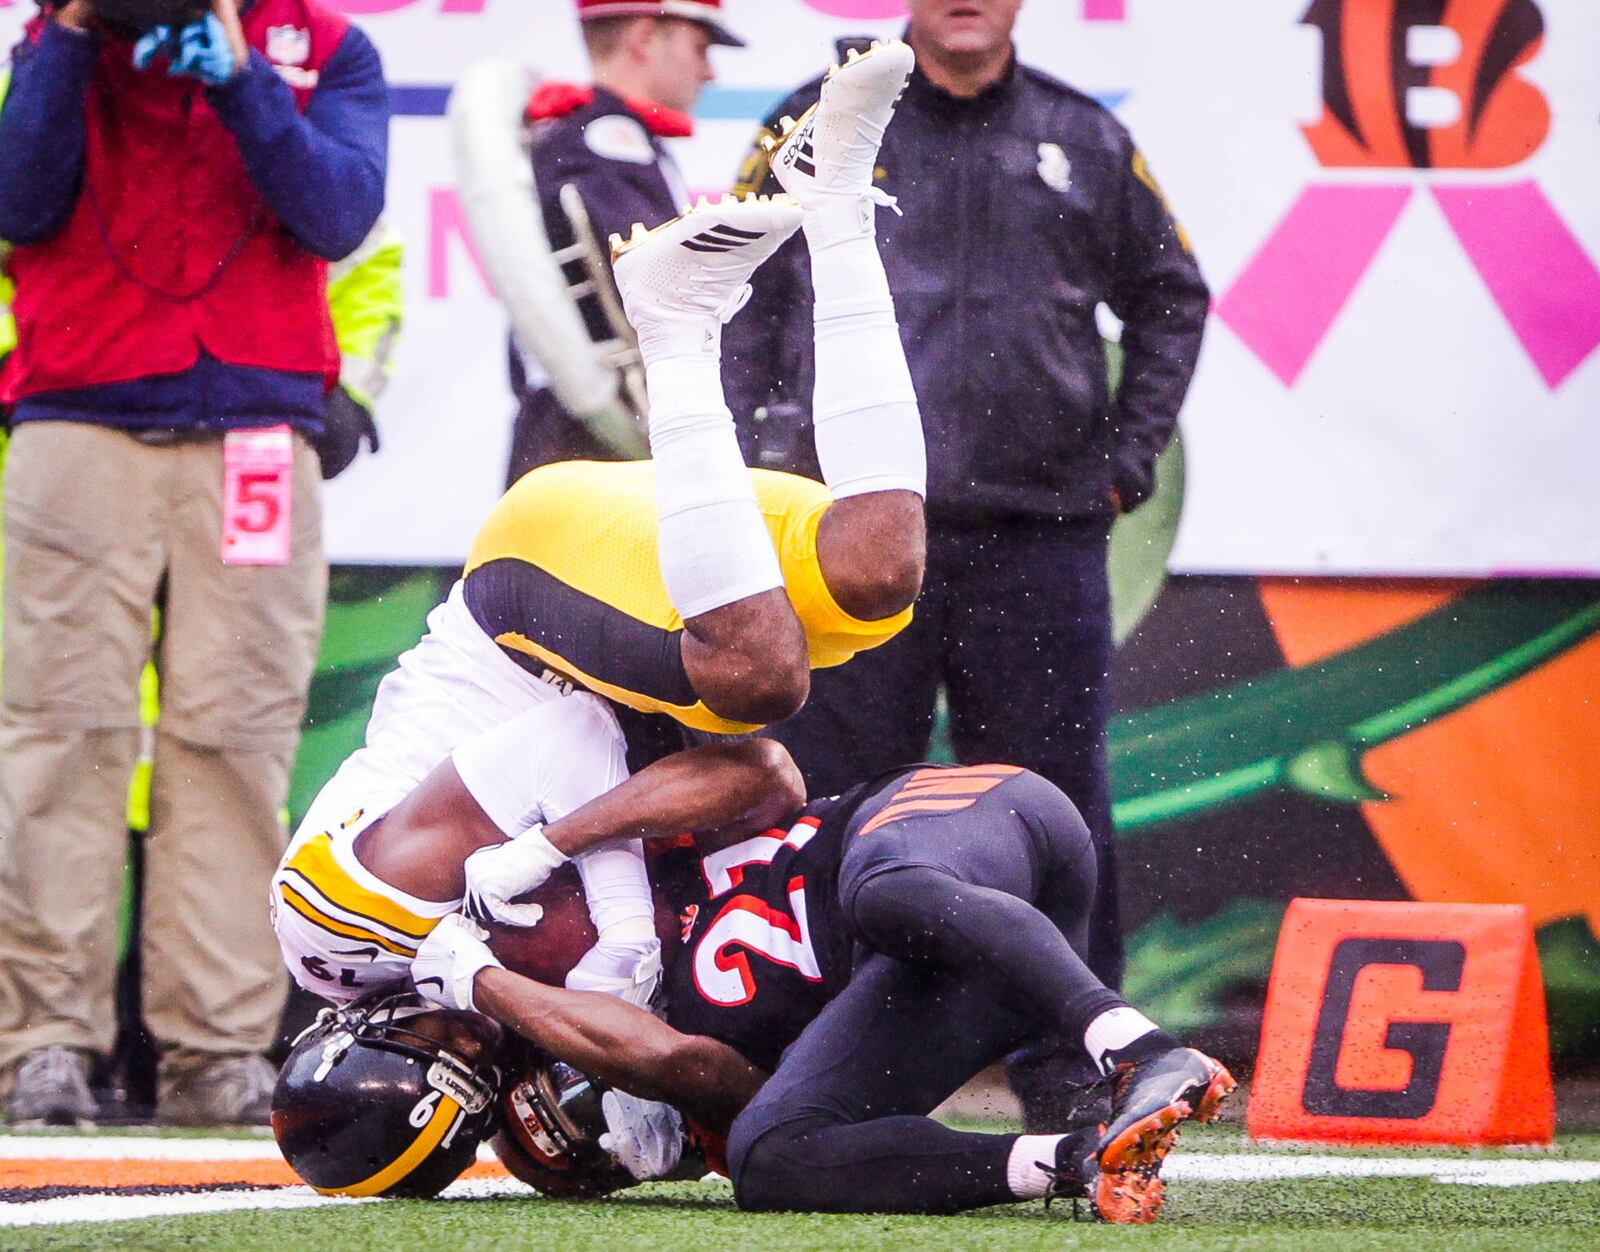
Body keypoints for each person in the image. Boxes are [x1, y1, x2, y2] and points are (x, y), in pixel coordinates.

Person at [275, 39, 928, 1026]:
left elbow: (571, 740)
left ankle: (673, 327)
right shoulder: (497, 998)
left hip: (530, 590)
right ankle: (835, 196)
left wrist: (613, 920)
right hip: (616, 610)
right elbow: (763, 772)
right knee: (881, 564)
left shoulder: (346, 925)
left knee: (757, 673)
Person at [727, 0, 1211, 1046]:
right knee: (832, 803)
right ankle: (810, 1057)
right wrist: (758, 460)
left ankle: (1077, 1065)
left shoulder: (1085, 136)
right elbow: (729, 286)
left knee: (1053, 808)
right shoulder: (813, 119)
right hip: (844, 541)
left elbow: (1173, 295)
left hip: (1036, 540)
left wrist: (1125, 463)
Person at [0, 0, 388, 1127]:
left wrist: (237, 73)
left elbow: (336, 213)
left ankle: (215, 1052)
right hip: (80, 423)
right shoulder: (50, 44)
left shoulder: (324, 47)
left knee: (234, 741)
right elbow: (18, 200)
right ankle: (39, 1043)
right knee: (59, 734)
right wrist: (72, 34)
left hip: (258, 433)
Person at [385, 755, 1235, 1224]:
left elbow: (762, 770)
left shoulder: (619, 866)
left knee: (880, 892)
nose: (610, 1136)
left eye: (579, 1119)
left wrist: (560, 842)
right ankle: (1081, 1161)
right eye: (603, 1155)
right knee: (771, 1156)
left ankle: (1145, 1053)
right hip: (944, 971)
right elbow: (692, 1071)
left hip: (961, 828)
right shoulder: (687, 1064)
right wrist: (495, 990)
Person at [504, 0, 742, 481]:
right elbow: (659, 291)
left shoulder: (586, 135)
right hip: (592, 441)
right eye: (700, 48)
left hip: (575, 432)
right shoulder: (607, 142)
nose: (709, 72)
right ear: (644, 38)